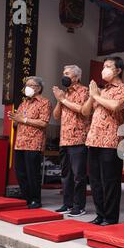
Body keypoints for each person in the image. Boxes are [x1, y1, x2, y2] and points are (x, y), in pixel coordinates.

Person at [82, 57, 124, 226]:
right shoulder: (101, 91)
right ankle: (100, 214)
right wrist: (92, 96)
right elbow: (85, 111)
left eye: (108, 66)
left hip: (111, 141)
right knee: (95, 181)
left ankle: (110, 218)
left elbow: (116, 106)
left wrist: (97, 95)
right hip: (94, 140)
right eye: (103, 66)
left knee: (110, 181)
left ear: (118, 70)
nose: (104, 69)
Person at [53, 65, 90, 217]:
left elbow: (82, 109)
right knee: (66, 174)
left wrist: (63, 99)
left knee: (78, 176)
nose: (64, 76)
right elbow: (56, 116)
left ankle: (79, 206)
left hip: (78, 139)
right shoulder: (65, 93)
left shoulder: (84, 91)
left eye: (67, 73)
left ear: (76, 77)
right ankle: (67, 204)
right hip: (64, 139)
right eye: (63, 73)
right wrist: (60, 100)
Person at [8, 77, 52, 208]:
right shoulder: (24, 103)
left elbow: (44, 122)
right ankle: (26, 197)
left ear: (38, 88)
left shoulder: (45, 102)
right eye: (26, 85)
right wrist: (15, 119)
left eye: (31, 85)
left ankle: (35, 199)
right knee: (20, 171)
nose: (27, 88)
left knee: (32, 172)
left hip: (34, 142)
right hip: (20, 142)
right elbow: (18, 121)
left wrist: (24, 119)